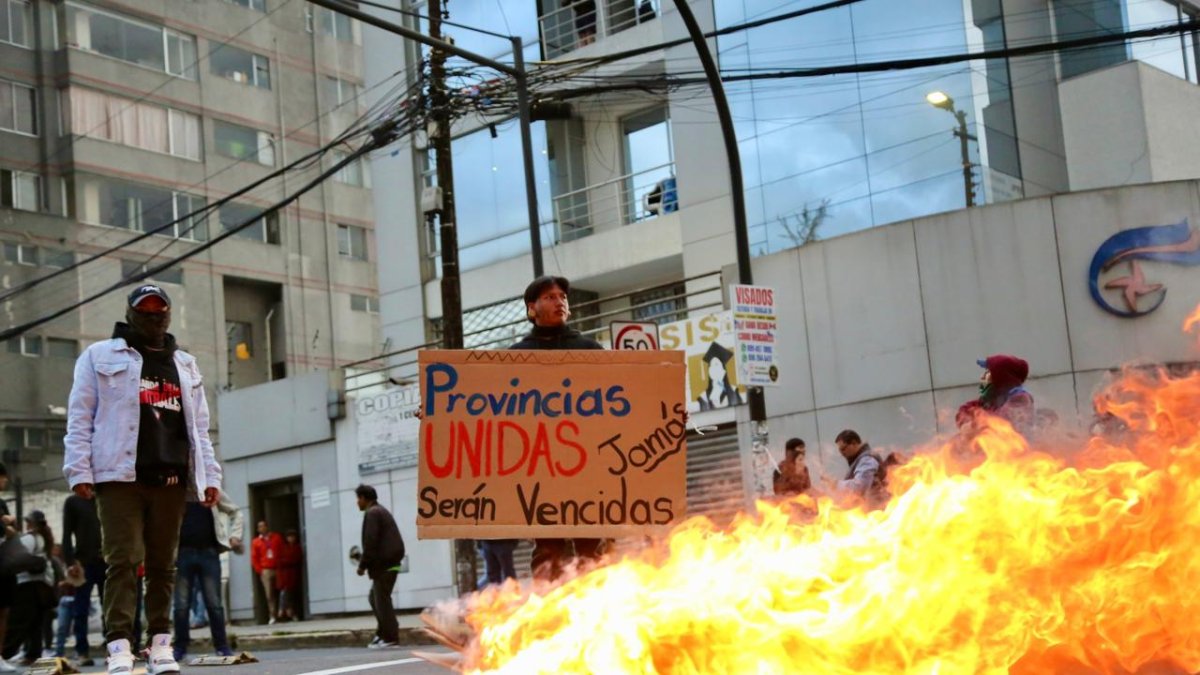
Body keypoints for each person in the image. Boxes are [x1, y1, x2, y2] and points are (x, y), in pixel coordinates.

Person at [63, 283, 221, 675]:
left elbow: (200, 429)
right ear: (131, 313)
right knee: (123, 560)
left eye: (159, 310)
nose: (153, 316)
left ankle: (160, 646)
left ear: (168, 314)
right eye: (145, 310)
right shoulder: (99, 355)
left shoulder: (185, 364)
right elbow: (80, 416)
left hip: (172, 477)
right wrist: (79, 469)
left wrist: (210, 475)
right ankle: (119, 646)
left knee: (164, 565)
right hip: (119, 476)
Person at [511, 275, 607, 582]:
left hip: (588, 465)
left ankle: (599, 605)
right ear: (532, 308)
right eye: (550, 297)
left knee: (592, 548)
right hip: (539, 468)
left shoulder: (590, 349)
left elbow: (623, 398)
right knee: (547, 550)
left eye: (562, 297)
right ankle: (548, 607)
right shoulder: (515, 356)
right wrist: (437, 414)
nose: (559, 302)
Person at [172, 489, 244, 662]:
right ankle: (180, 647)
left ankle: (222, 646)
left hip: (209, 553)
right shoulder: (176, 491)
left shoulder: (210, 489)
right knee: (181, 605)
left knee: (214, 603)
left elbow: (236, 512)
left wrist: (235, 535)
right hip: (182, 553)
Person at [1, 510, 55, 666]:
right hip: (41, 585)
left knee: (18, 621)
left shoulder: (30, 538)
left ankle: (4, 652)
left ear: (31, 523)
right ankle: (33, 654)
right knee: (34, 623)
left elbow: (17, 555)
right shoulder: (43, 538)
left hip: (27, 585)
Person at [355, 484, 405, 649]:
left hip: (385, 565)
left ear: (364, 498)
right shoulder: (379, 511)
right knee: (374, 598)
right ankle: (382, 633)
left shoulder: (373, 513)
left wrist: (362, 565)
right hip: (388, 563)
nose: (357, 502)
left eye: (358, 498)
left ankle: (390, 637)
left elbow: (371, 542)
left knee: (381, 601)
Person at [61, 491, 105, 666]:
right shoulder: (73, 501)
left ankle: (113, 649)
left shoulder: (105, 497)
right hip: (83, 564)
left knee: (110, 607)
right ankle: (82, 652)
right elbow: (66, 534)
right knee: (81, 609)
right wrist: (70, 562)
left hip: (107, 560)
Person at [957, 354, 1035, 435]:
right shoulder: (991, 398)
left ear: (1001, 378)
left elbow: (998, 421)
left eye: (988, 374)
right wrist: (966, 421)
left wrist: (973, 424)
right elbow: (965, 411)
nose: (983, 378)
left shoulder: (1020, 398)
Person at [834, 430, 888, 508]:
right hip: (872, 509)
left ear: (854, 443)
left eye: (843, 449)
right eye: (840, 451)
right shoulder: (861, 460)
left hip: (878, 509)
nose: (842, 454)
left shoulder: (867, 459)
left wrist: (836, 484)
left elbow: (860, 487)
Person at [0, 463, 17, 673]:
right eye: (3, 477)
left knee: (3, 610)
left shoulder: (2, 503)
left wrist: (7, 523)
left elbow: (13, 531)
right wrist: (5, 523)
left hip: (4, 563)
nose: (5, 481)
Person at [250, 521, 282, 624]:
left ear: (267, 527)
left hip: (278, 567)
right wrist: (260, 570)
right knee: (269, 594)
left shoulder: (276, 538)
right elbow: (254, 557)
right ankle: (272, 615)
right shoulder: (256, 542)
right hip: (266, 569)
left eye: (264, 526)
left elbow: (281, 550)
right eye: (260, 527)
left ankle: (283, 612)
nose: (262, 528)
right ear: (258, 529)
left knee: (281, 591)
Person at [275, 530, 303, 622]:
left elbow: (296, 559)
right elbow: (279, 560)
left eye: (293, 536)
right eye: (289, 537)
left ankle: (285, 611)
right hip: (284, 575)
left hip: (292, 574)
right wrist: (288, 561)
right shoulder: (283, 548)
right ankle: (286, 611)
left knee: (290, 594)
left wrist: (287, 561)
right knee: (284, 592)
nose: (291, 538)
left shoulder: (297, 547)